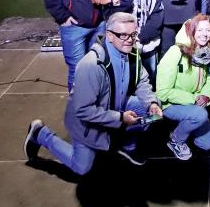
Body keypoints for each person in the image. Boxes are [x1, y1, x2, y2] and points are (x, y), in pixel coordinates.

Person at [24, 12, 162, 172]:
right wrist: (120, 118)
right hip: (87, 123)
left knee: (150, 110)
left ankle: (126, 144)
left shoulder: (131, 53)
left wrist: (152, 103)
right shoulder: (90, 65)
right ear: (109, 35)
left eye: (133, 34)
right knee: (81, 167)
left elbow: (142, 81)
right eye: (123, 35)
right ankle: (40, 134)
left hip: (115, 108)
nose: (130, 40)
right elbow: (83, 110)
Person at [155, 14, 210, 160]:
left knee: (206, 144)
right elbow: (162, 92)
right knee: (200, 115)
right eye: (200, 30)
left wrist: (206, 95)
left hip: (195, 104)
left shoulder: (206, 52)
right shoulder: (175, 52)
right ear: (191, 31)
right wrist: (194, 98)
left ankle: (188, 123)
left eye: (208, 30)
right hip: (170, 104)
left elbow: (208, 78)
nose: (204, 34)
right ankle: (175, 140)